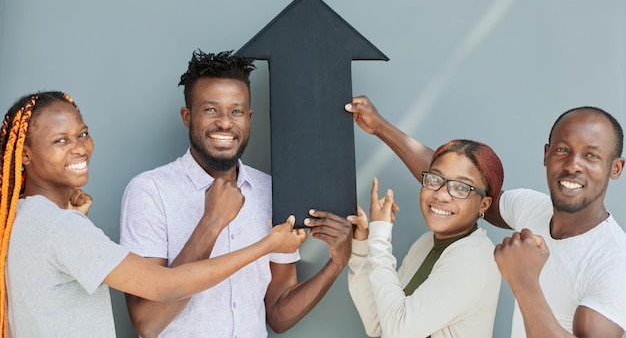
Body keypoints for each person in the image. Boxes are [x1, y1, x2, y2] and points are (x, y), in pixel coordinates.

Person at [0, 91, 305, 338]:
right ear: (24, 154)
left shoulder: (25, 217)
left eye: (82, 134)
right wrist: (266, 246)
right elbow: (165, 286)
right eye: (60, 140)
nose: (80, 148)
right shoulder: (62, 227)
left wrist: (73, 217)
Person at [345, 95, 626, 338]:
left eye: (591, 156)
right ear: (546, 154)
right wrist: (380, 127)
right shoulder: (532, 208)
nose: (573, 165)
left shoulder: (615, 262)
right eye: (563, 150)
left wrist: (524, 281)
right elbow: (463, 186)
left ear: (615, 168)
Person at [119, 50, 353, 338]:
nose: (226, 123)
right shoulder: (149, 192)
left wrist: (336, 263)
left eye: (236, 111)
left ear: (249, 117)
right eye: (211, 109)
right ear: (187, 116)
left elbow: (278, 314)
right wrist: (211, 222)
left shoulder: (272, 191)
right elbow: (148, 322)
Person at [348, 139, 503, 338]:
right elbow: (378, 323)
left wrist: (380, 237)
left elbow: (399, 331)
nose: (441, 195)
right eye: (435, 180)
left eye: (462, 188)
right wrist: (362, 245)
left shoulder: (474, 258)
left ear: (484, 204)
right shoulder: (426, 243)